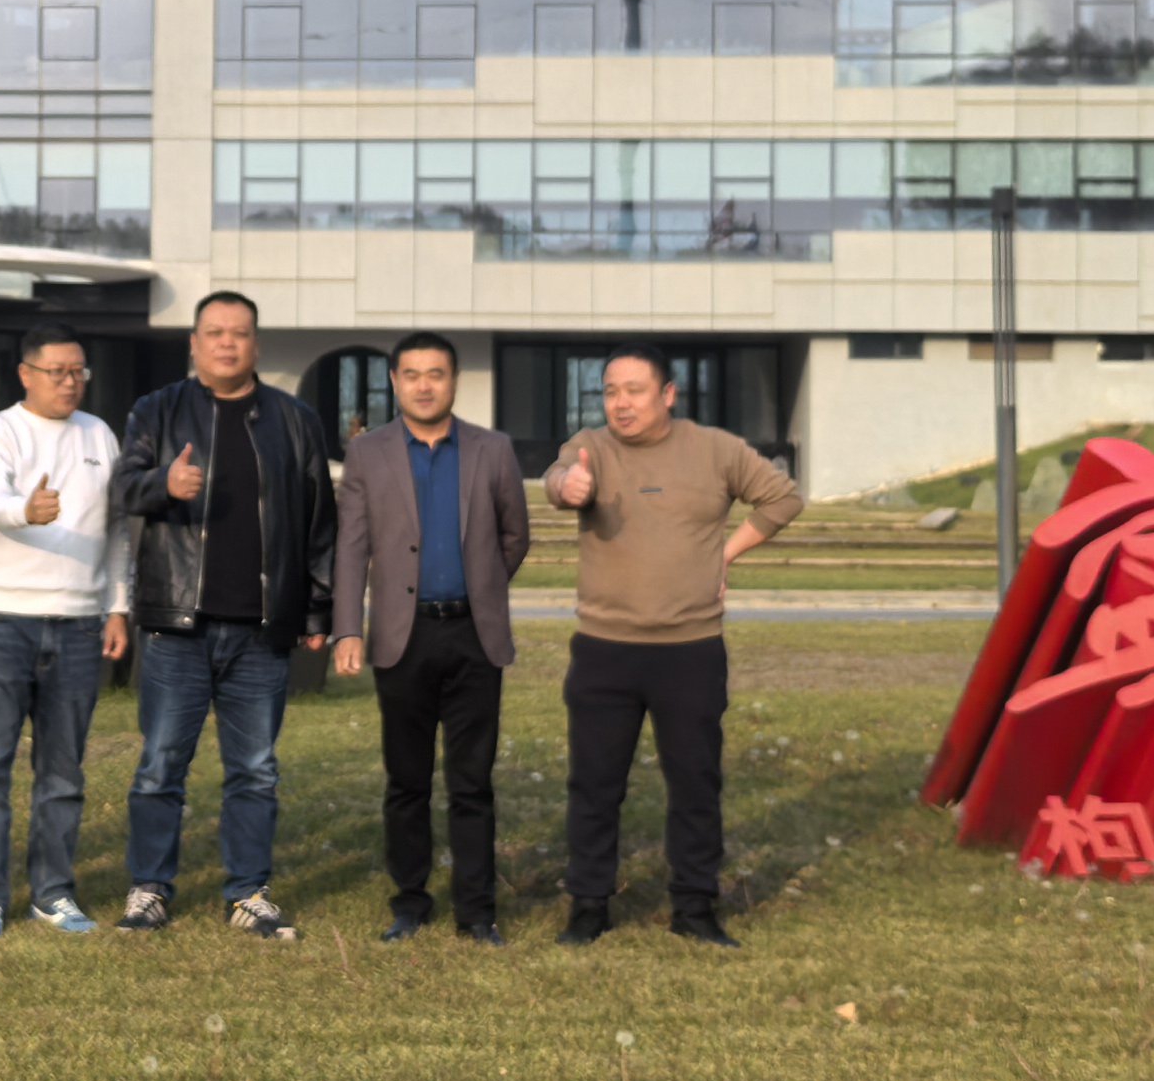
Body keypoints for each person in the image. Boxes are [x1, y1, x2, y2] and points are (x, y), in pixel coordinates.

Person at [544, 345, 802, 947]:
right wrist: (568, 485)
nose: (620, 403)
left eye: (634, 390)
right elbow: (558, 480)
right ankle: (588, 907)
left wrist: (724, 554)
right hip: (604, 649)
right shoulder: (590, 447)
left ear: (667, 394)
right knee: (594, 785)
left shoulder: (716, 450)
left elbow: (783, 498)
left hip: (691, 649)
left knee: (695, 784)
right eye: (610, 391)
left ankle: (695, 907)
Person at [106, 291, 334, 940]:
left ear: (256, 344)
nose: (227, 344)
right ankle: (150, 888)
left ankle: (248, 892)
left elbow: (319, 519)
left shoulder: (293, 419)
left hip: (261, 631)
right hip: (177, 625)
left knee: (255, 770)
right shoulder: (157, 409)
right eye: (215, 333)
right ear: (194, 344)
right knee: (160, 766)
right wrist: (164, 485)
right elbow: (121, 488)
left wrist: (318, 610)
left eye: (239, 333)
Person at [328, 333, 532, 941]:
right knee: (406, 782)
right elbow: (351, 547)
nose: (424, 385)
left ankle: (477, 912)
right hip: (402, 637)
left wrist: (482, 587)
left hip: (474, 637)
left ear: (454, 380)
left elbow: (514, 536)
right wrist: (347, 627)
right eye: (412, 374)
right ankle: (410, 903)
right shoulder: (368, 453)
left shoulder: (493, 450)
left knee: (472, 783)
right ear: (395, 381)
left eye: (436, 374)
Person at [0, 320, 124, 942]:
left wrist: (118, 606)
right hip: (0, 620)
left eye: (79, 371)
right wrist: (26, 510)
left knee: (63, 771)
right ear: (26, 374)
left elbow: (118, 530)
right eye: (58, 372)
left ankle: (53, 893)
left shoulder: (100, 435)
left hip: (78, 623)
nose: (70, 382)